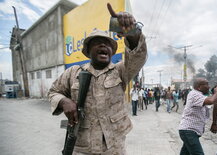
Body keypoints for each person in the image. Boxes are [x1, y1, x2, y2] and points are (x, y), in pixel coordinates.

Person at [48, 3, 147, 154]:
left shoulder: (121, 70)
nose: (103, 45)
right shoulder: (72, 73)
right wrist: (64, 101)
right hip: (82, 148)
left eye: (107, 44)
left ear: (112, 52)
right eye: (97, 43)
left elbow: (137, 56)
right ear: (88, 51)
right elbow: (53, 92)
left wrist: (131, 32)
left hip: (114, 148)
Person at [179, 78, 217, 155]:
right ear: (199, 87)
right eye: (206, 84)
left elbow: (211, 100)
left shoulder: (200, 95)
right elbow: (211, 101)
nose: (209, 87)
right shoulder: (194, 94)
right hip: (189, 131)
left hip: (190, 131)